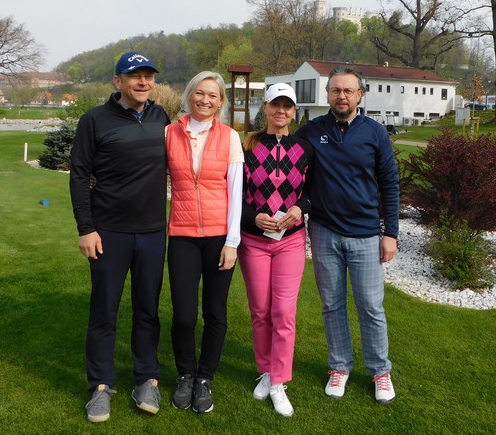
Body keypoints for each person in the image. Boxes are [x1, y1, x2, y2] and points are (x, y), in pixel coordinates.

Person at [69, 52, 170, 423]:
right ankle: (100, 385)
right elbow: (79, 175)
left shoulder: (162, 118)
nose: (143, 82)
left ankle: (147, 379)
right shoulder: (94, 120)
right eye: (134, 76)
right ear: (118, 81)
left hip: (152, 232)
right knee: (104, 310)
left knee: (147, 310)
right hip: (108, 232)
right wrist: (86, 228)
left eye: (148, 76)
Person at [295, 65, 399, 404]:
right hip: (324, 231)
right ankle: (339, 366)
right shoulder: (311, 131)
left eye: (348, 91)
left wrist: (390, 233)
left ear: (360, 95)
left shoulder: (375, 132)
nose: (342, 96)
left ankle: (380, 371)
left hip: (366, 234)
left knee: (371, 306)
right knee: (332, 304)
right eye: (336, 90)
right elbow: (287, 163)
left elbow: (389, 184)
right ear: (328, 94)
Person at [166, 70, 243, 414]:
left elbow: (236, 193)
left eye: (213, 95)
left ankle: (204, 378)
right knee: (184, 315)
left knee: (215, 312)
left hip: (218, 238)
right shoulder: (169, 133)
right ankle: (185, 374)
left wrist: (232, 242)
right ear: (189, 95)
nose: (205, 100)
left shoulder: (230, 137)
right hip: (182, 235)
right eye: (200, 93)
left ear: (221, 101)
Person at [238, 83, 314, 417]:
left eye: (287, 106)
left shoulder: (305, 148)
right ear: (265, 107)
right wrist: (253, 217)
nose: (281, 111)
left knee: (283, 311)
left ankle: (279, 381)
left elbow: (313, 191)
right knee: (260, 311)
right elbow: (234, 195)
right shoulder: (247, 146)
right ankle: (266, 370)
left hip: (290, 240)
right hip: (254, 241)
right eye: (275, 105)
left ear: (294, 111)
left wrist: (301, 208)